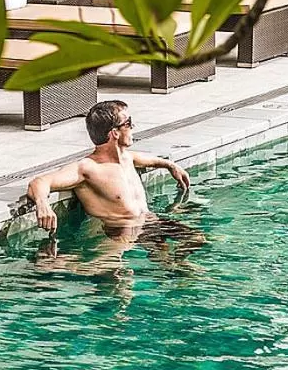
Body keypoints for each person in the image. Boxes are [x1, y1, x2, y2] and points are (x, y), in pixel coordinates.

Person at [25, 100, 201, 263]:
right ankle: (58, 264)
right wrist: (43, 204)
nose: (133, 127)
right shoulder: (88, 168)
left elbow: (148, 159)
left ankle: (172, 265)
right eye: (129, 123)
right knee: (115, 278)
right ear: (114, 133)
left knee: (196, 239)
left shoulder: (127, 158)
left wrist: (170, 165)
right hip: (121, 231)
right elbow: (40, 181)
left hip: (150, 223)